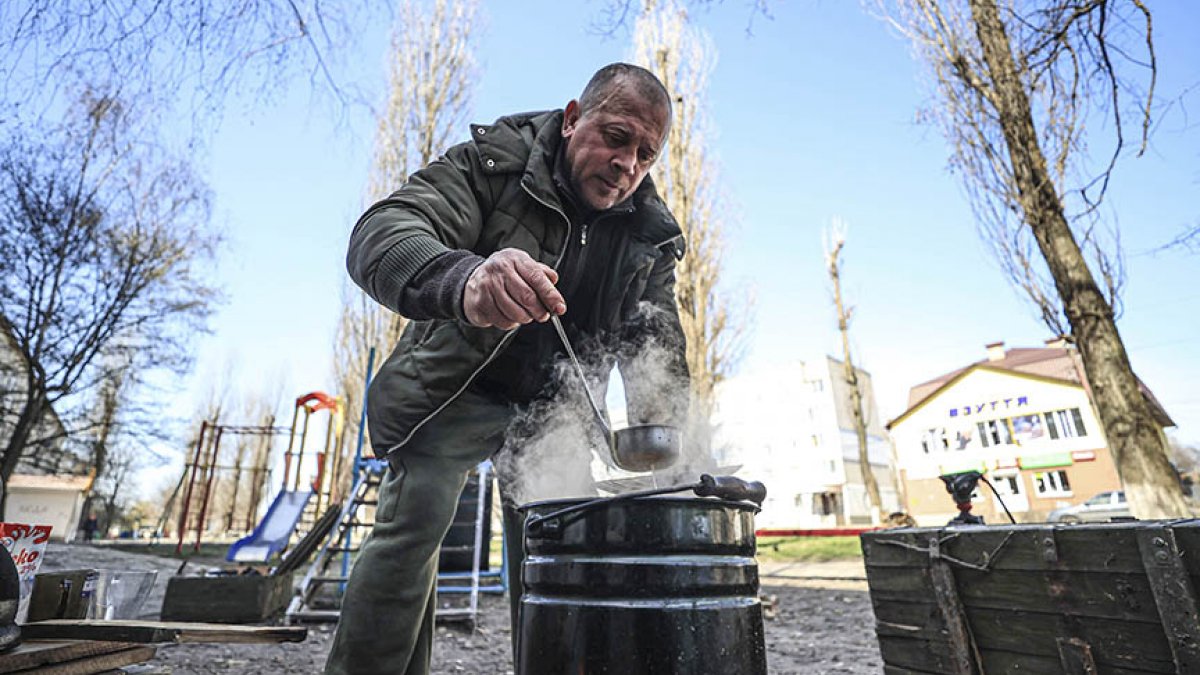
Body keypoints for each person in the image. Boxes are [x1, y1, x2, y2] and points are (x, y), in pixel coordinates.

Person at [325, 62, 689, 675]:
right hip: (456, 386)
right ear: (574, 119)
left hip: (556, 413)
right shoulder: (492, 163)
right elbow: (381, 232)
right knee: (412, 529)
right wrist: (466, 278)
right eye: (618, 137)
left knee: (559, 555)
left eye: (647, 155)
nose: (629, 165)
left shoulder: (648, 236)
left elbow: (658, 345)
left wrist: (663, 438)